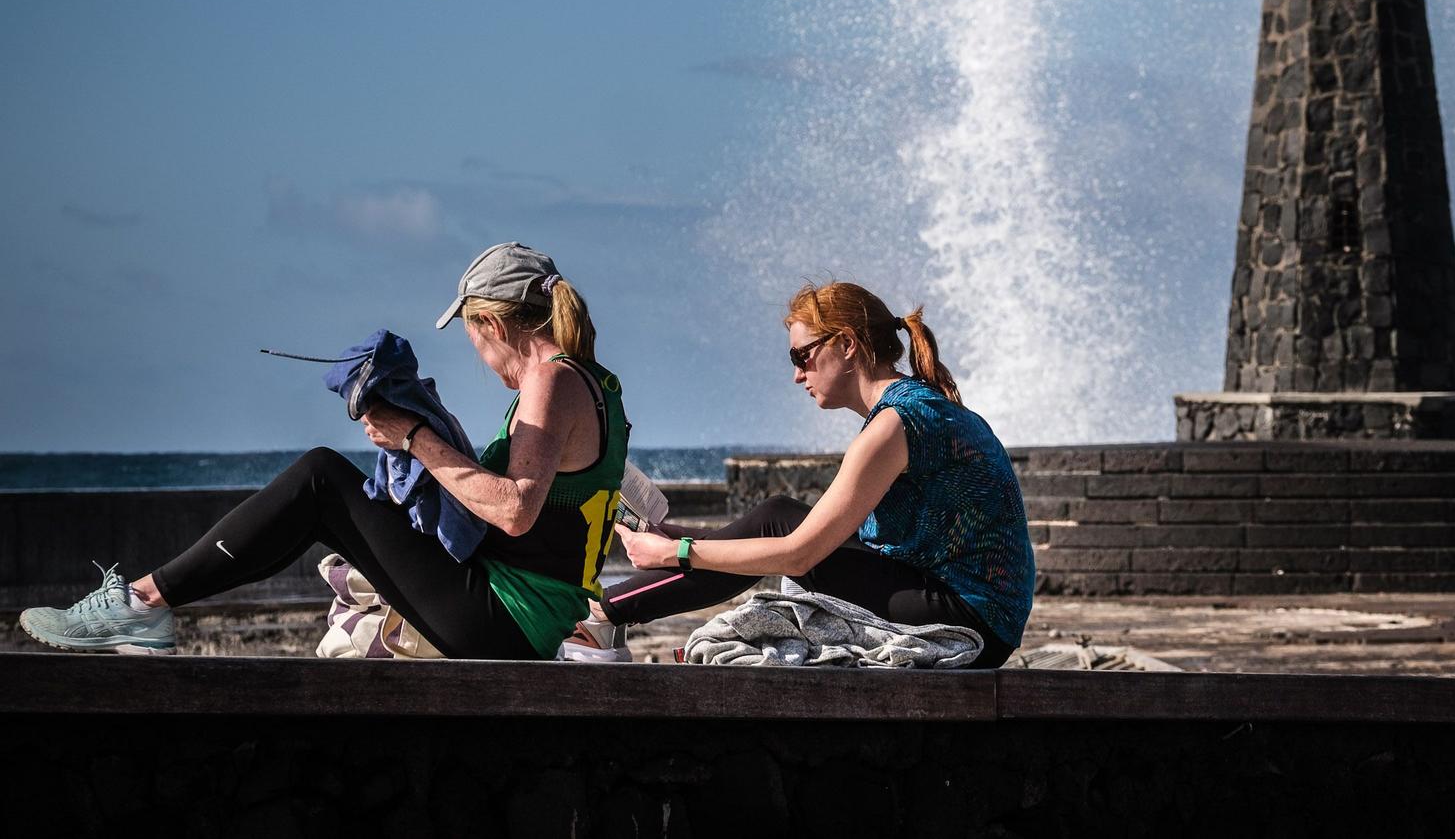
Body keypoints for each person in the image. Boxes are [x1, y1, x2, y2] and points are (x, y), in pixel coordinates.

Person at [21, 242, 628, 661]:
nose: (481, 358)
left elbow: (516, 510)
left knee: (320, 477)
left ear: (494, 326)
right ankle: (146, 607)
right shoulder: (596, 384)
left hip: (508, 619)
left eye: (474, 341)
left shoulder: (549, 380)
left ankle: (142, 603)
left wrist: (415, 437)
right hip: (525, 611)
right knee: (321, 502)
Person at [595, 281, 1033, 668]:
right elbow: (811, 539)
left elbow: (798, 554)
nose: (796, 374)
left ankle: (601, 616)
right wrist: (681, 539)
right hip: (970, 608)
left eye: (801, 355)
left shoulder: (896, 423)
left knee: (779, 518)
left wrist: (675, 552)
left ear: (846, 344)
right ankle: (604, 616)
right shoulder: (915, 407)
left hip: (970, 619)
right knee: (777, 515)